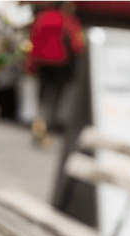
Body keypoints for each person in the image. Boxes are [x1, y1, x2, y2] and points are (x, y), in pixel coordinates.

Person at [24, 1, 84, 143]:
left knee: (43, 96)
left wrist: (30, 65)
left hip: (42, 63)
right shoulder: (69, 20)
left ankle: (39, 125)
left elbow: (33, 41)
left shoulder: (42, 17)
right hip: (61, 63)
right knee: (56, 97)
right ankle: (49, 127)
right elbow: (77, 45)